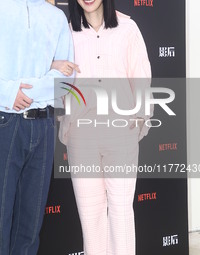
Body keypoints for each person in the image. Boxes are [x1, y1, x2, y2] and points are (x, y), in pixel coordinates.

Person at [0, 0, 76, 254]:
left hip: (43, 124)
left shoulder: (55, 16)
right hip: (3, 122)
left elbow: (67, 76)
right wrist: (8, 93)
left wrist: (25, 89)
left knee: (30, 227)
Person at [51, 0, 152, 254]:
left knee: (121, 213)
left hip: (121, 132)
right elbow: (57, 83)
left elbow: (140, 75)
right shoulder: (66, 32)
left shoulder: (128, 29)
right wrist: (65, 118)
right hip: (81, 137)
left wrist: (139, 119)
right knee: (91, 217)